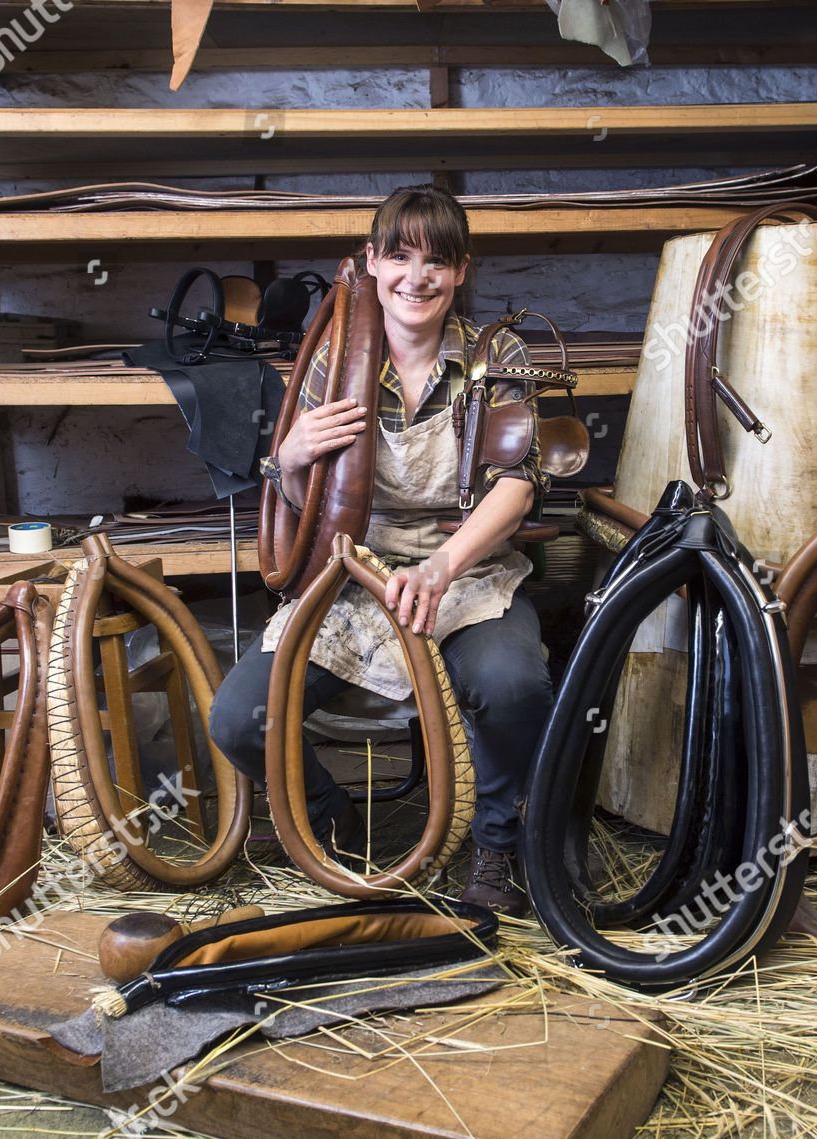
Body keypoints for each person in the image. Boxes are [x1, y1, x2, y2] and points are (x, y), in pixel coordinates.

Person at [209, 184, 553, 915]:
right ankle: (334, 821)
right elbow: (302, 513)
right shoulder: (336, 362)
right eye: (398, 257)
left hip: (465, 571)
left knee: (513, 686)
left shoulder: (499, 353)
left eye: (437, 260)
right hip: (352, 577)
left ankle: (498, 841)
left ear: (461, 271)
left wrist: (441, 566)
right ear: (372, 262)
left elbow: (517, 487)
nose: (416, 277)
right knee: (240, 719)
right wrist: (291, 456)